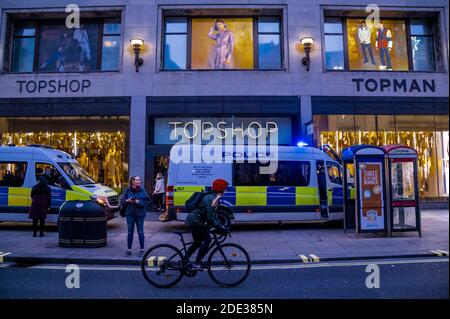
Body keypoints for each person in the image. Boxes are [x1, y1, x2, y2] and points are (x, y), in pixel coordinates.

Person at [184, 179, 230, 269]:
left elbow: (214, 214)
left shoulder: (213, 197)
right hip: (196, 220)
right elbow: (211, 216)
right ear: (221, 189)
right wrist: (221, 228)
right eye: (225, 188)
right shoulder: (212, 198)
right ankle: (197, 263)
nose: (226, 190)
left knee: (198, 242)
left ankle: (184, 259)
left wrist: (220, 226)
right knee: (207, 240)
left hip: (194, 220)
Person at [123, 176, 151, 257]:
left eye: (139, 179)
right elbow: (123, 200)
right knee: (130, 232)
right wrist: (127, 201)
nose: (139, 181)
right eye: (137, 180)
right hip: (130, 214)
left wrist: (139, 202)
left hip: (140, 214)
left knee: (140, 232)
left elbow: (147, 201)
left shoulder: (142, 190)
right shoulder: (127, 190)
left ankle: (142, 250)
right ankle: (129, 250)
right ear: (132, 181)